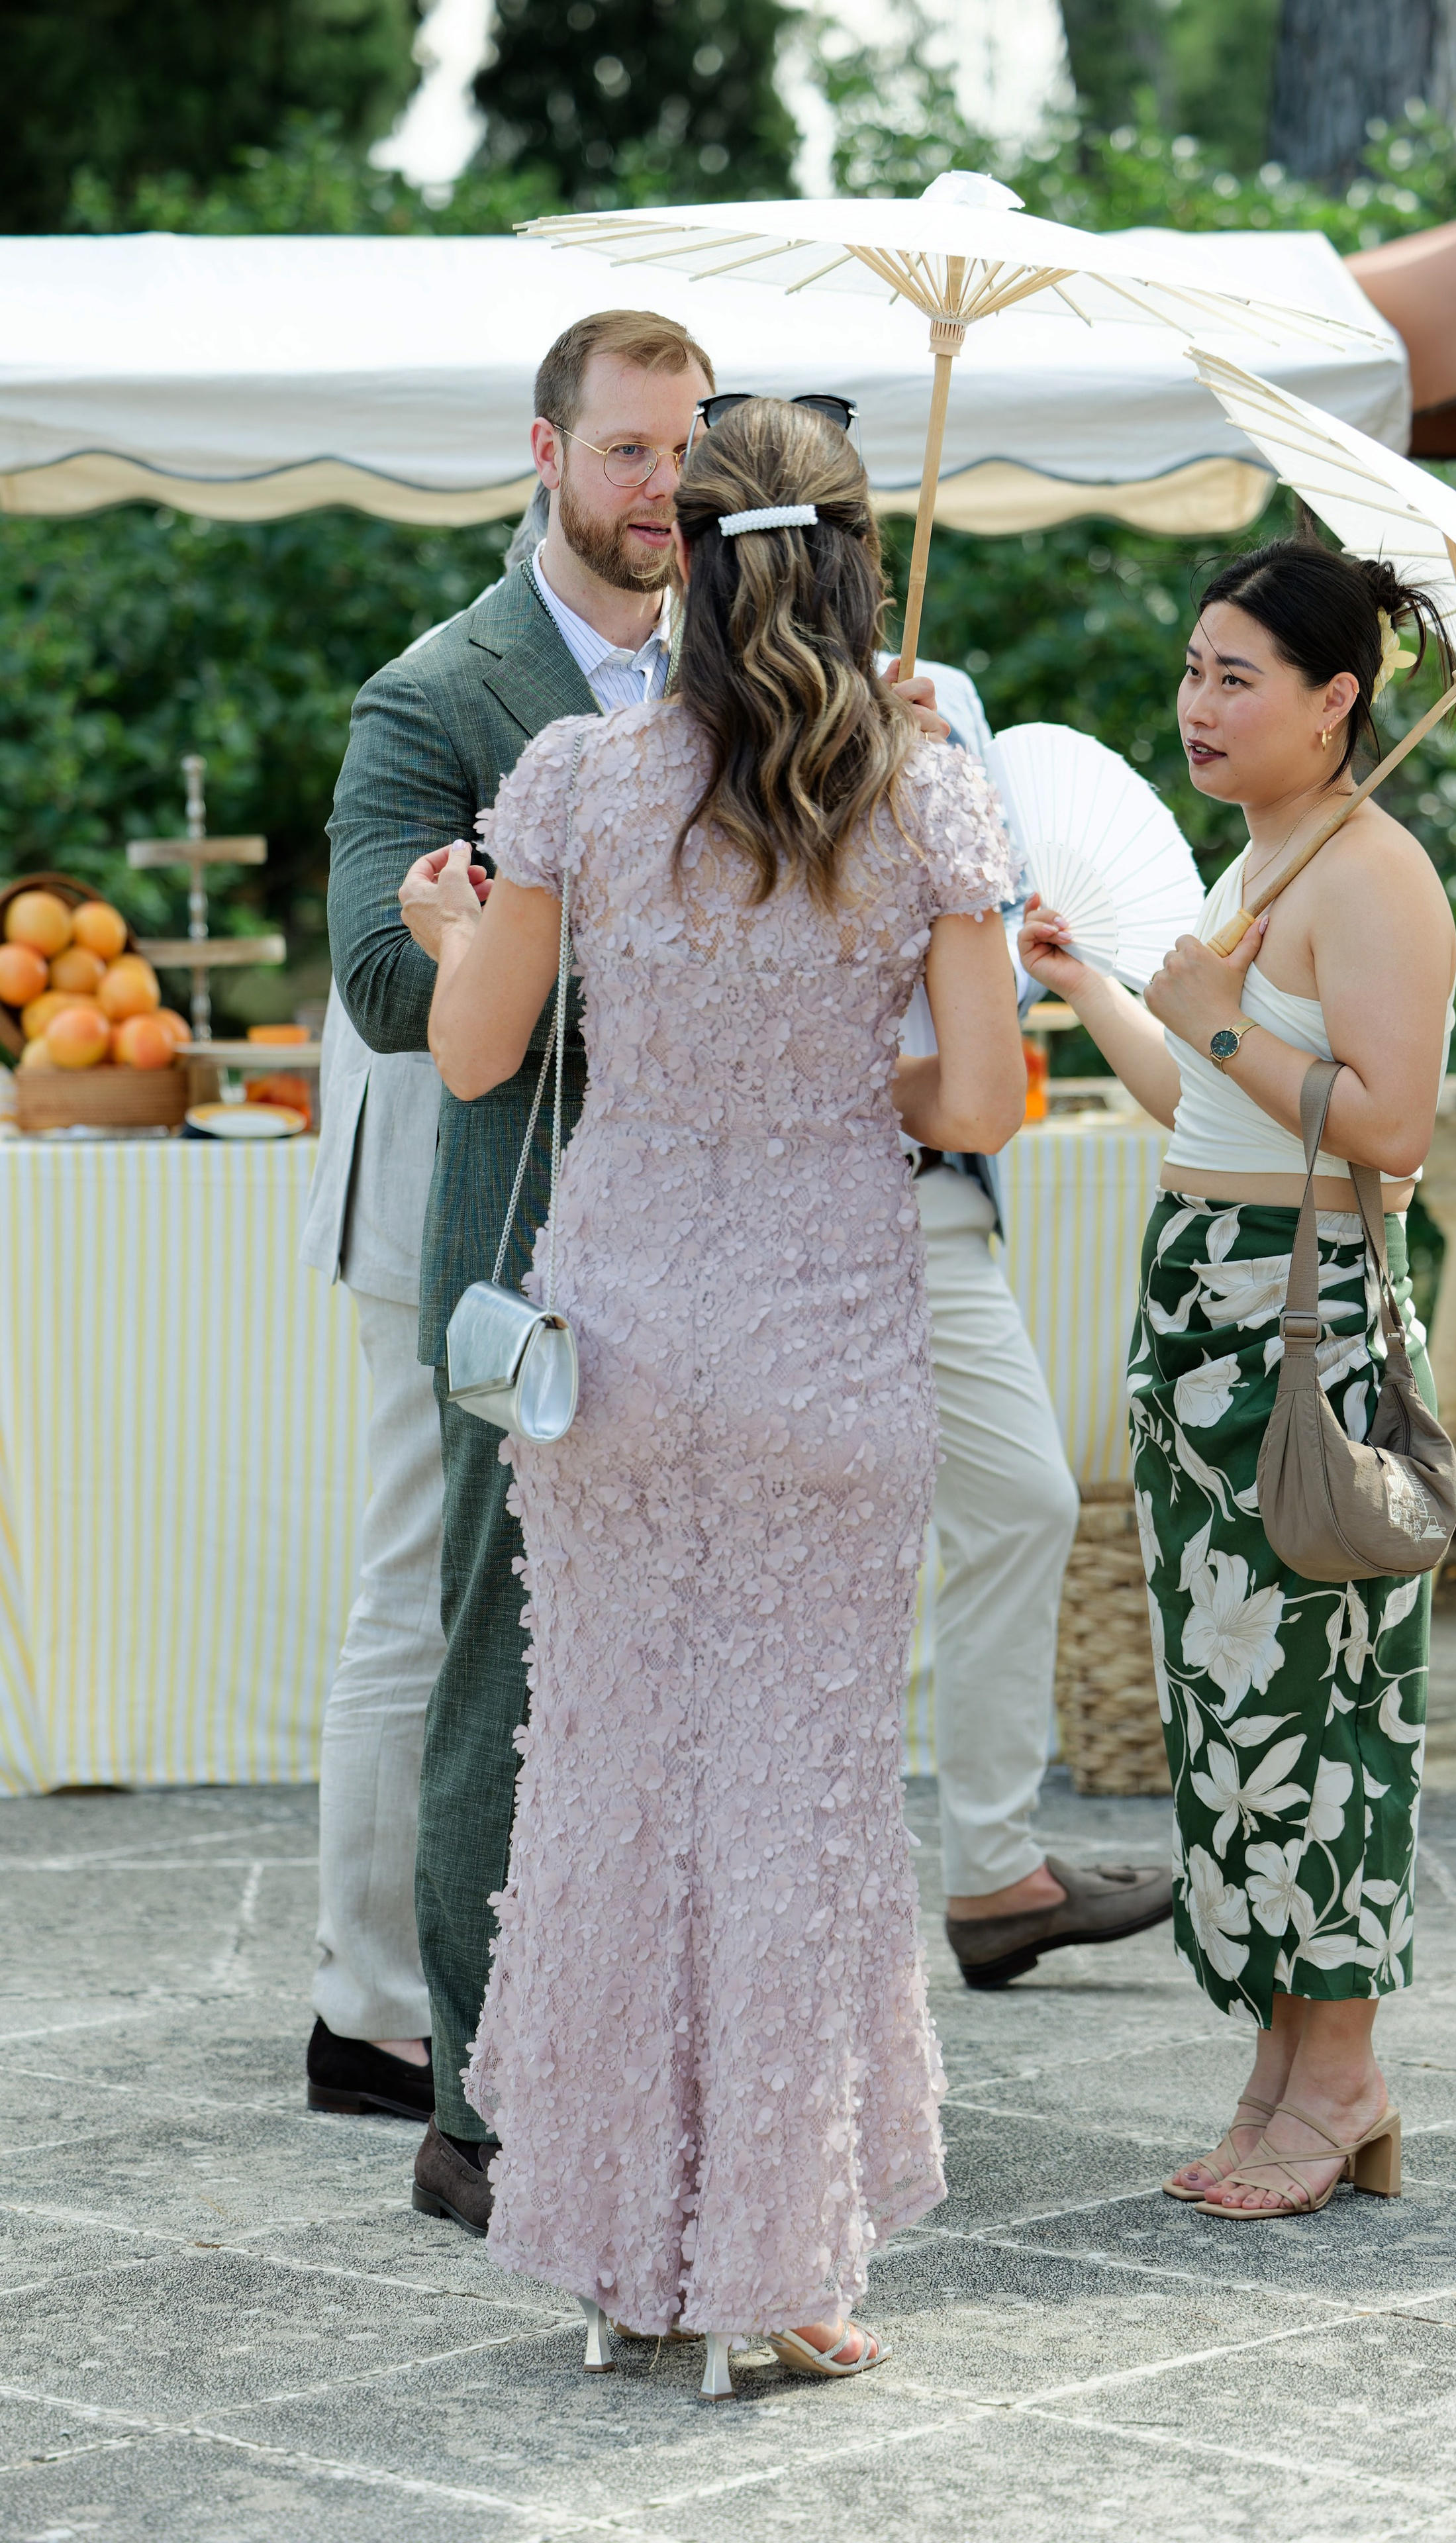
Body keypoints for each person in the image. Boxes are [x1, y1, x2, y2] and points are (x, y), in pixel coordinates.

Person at [401, 399, 1026, 2390]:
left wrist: (447, 926)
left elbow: (480, 1057)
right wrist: (873, 1079)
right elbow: (986, 1098)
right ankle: (776, 2268)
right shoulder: (923, 789)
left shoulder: (579, 773)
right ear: (850, 558)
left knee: (616, 1788)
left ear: (693, 549)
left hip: (632, 1353)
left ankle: (613, 2261)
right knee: (802, 1805)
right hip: (832, 1343)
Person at [326, 307, 718, 2234]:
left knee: (682, 1679)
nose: (666, 492)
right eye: (632, 452)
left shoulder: (752, 671)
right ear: (546, 455)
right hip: (527, 1255)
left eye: (686, 453)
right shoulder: (435, 694)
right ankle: (476, 2110)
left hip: (729, 1242)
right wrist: (508, 914)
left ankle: (647, 2051)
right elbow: (391, 993)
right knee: (509, 1668)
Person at [1021, 532, 1455, 2220]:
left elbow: (1388, 1131)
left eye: (1233, 677)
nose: (1194, 704)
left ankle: (1340, 2077)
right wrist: (1099, 994)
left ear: (1333, 699)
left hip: (1309, 1327)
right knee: (1230, 1713)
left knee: (1320, 1710)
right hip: (1205, 1312)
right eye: (1192, 669)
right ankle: (1281, 2069)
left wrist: (1209, 1021)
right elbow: (1196, 1103)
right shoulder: (1262, 860)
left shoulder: (1372, 877)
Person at [885, 665, 1171, 1985]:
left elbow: (985, 958)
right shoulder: (686, 691)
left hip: (938, 1185)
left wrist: (940, 795)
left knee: (1022, 1499)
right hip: (769, 1188)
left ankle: (994, 1875)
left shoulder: (942, 697)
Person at [297, 991, 442, 2120]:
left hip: (433, 1166)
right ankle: (373, 2011)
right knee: (417, 1595)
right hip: (425, 1171)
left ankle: (391, 1993)